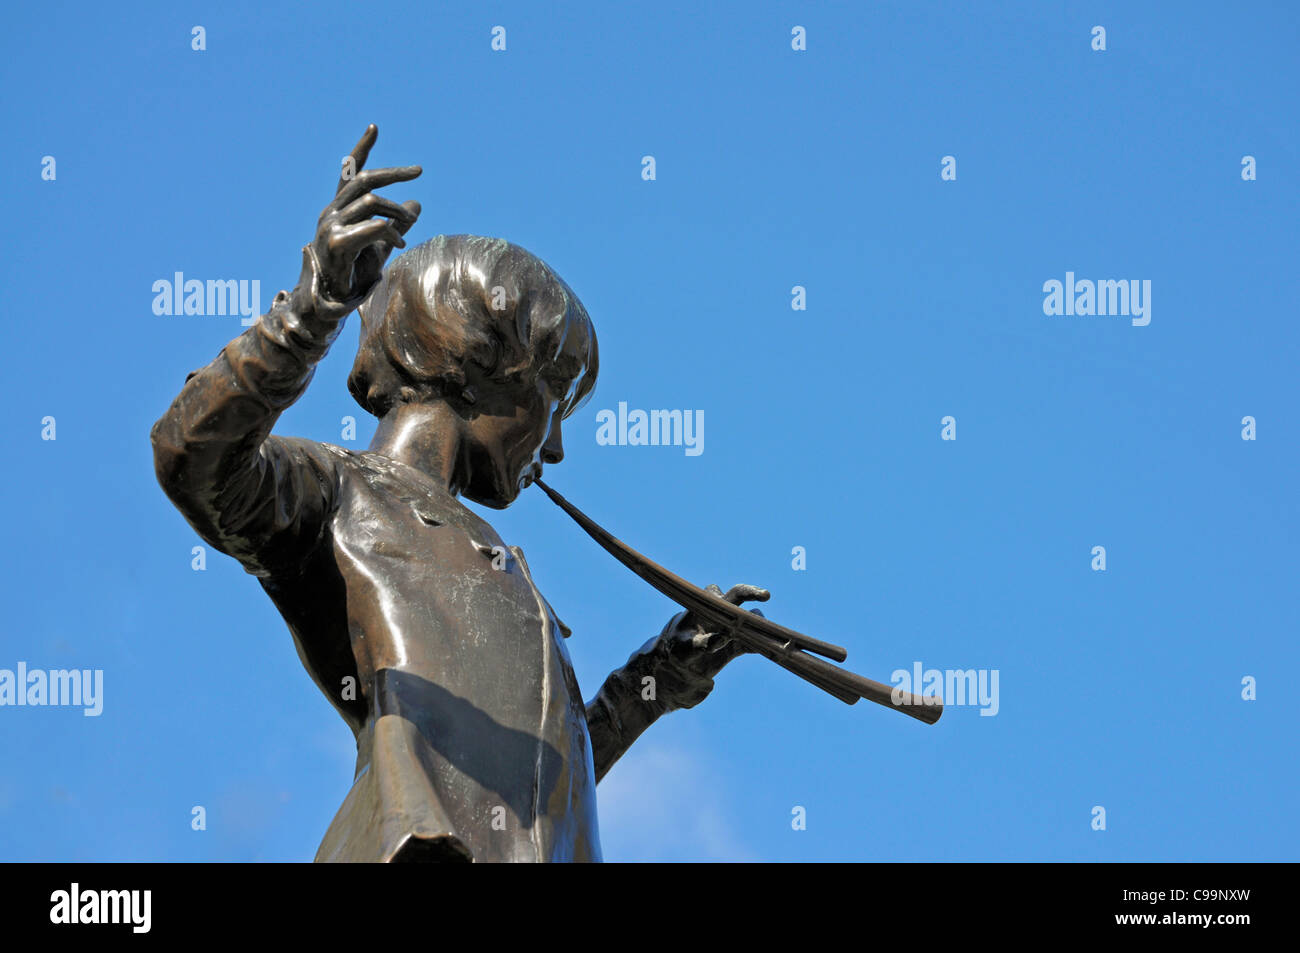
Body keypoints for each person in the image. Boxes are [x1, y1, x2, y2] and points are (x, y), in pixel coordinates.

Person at [150, 125, 768, 862]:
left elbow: (527, 793)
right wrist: (311, 311)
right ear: (478, 365)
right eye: (552, 400)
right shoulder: (339, 490)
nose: (557, 447)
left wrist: (657, 679)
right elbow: (192, 458)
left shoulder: (504, 568)